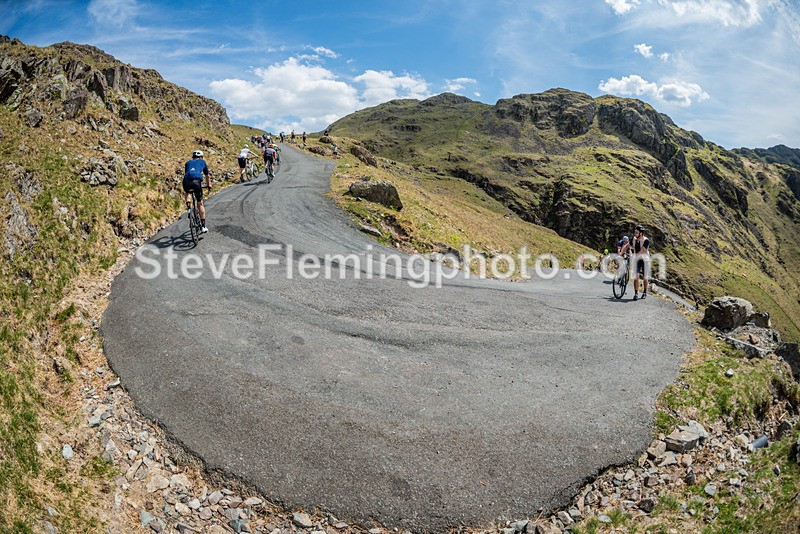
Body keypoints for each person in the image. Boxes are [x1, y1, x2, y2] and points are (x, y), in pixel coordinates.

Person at [184, 150, 211, 233]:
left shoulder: (187, 163)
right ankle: (203, 227)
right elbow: (207, 176)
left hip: (186, 180)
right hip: (196, 181)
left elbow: (188, 173)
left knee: (187, 192)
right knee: (200, 203)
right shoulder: (202, 162)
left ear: (193, 157)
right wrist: (209, 185)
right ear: (201, 157)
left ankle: (189, 208)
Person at [632, 225, 650, 300]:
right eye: (634, 232)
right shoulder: (634, 239)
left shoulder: (646, 240)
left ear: (641, 233)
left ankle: (645, 292)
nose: (635, 234)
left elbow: (642, 251)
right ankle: (636, 293)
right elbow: (627, 246)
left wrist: (635, 256)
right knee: (636, 277)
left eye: (636, 232)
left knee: (645, 278)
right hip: (638, 260)